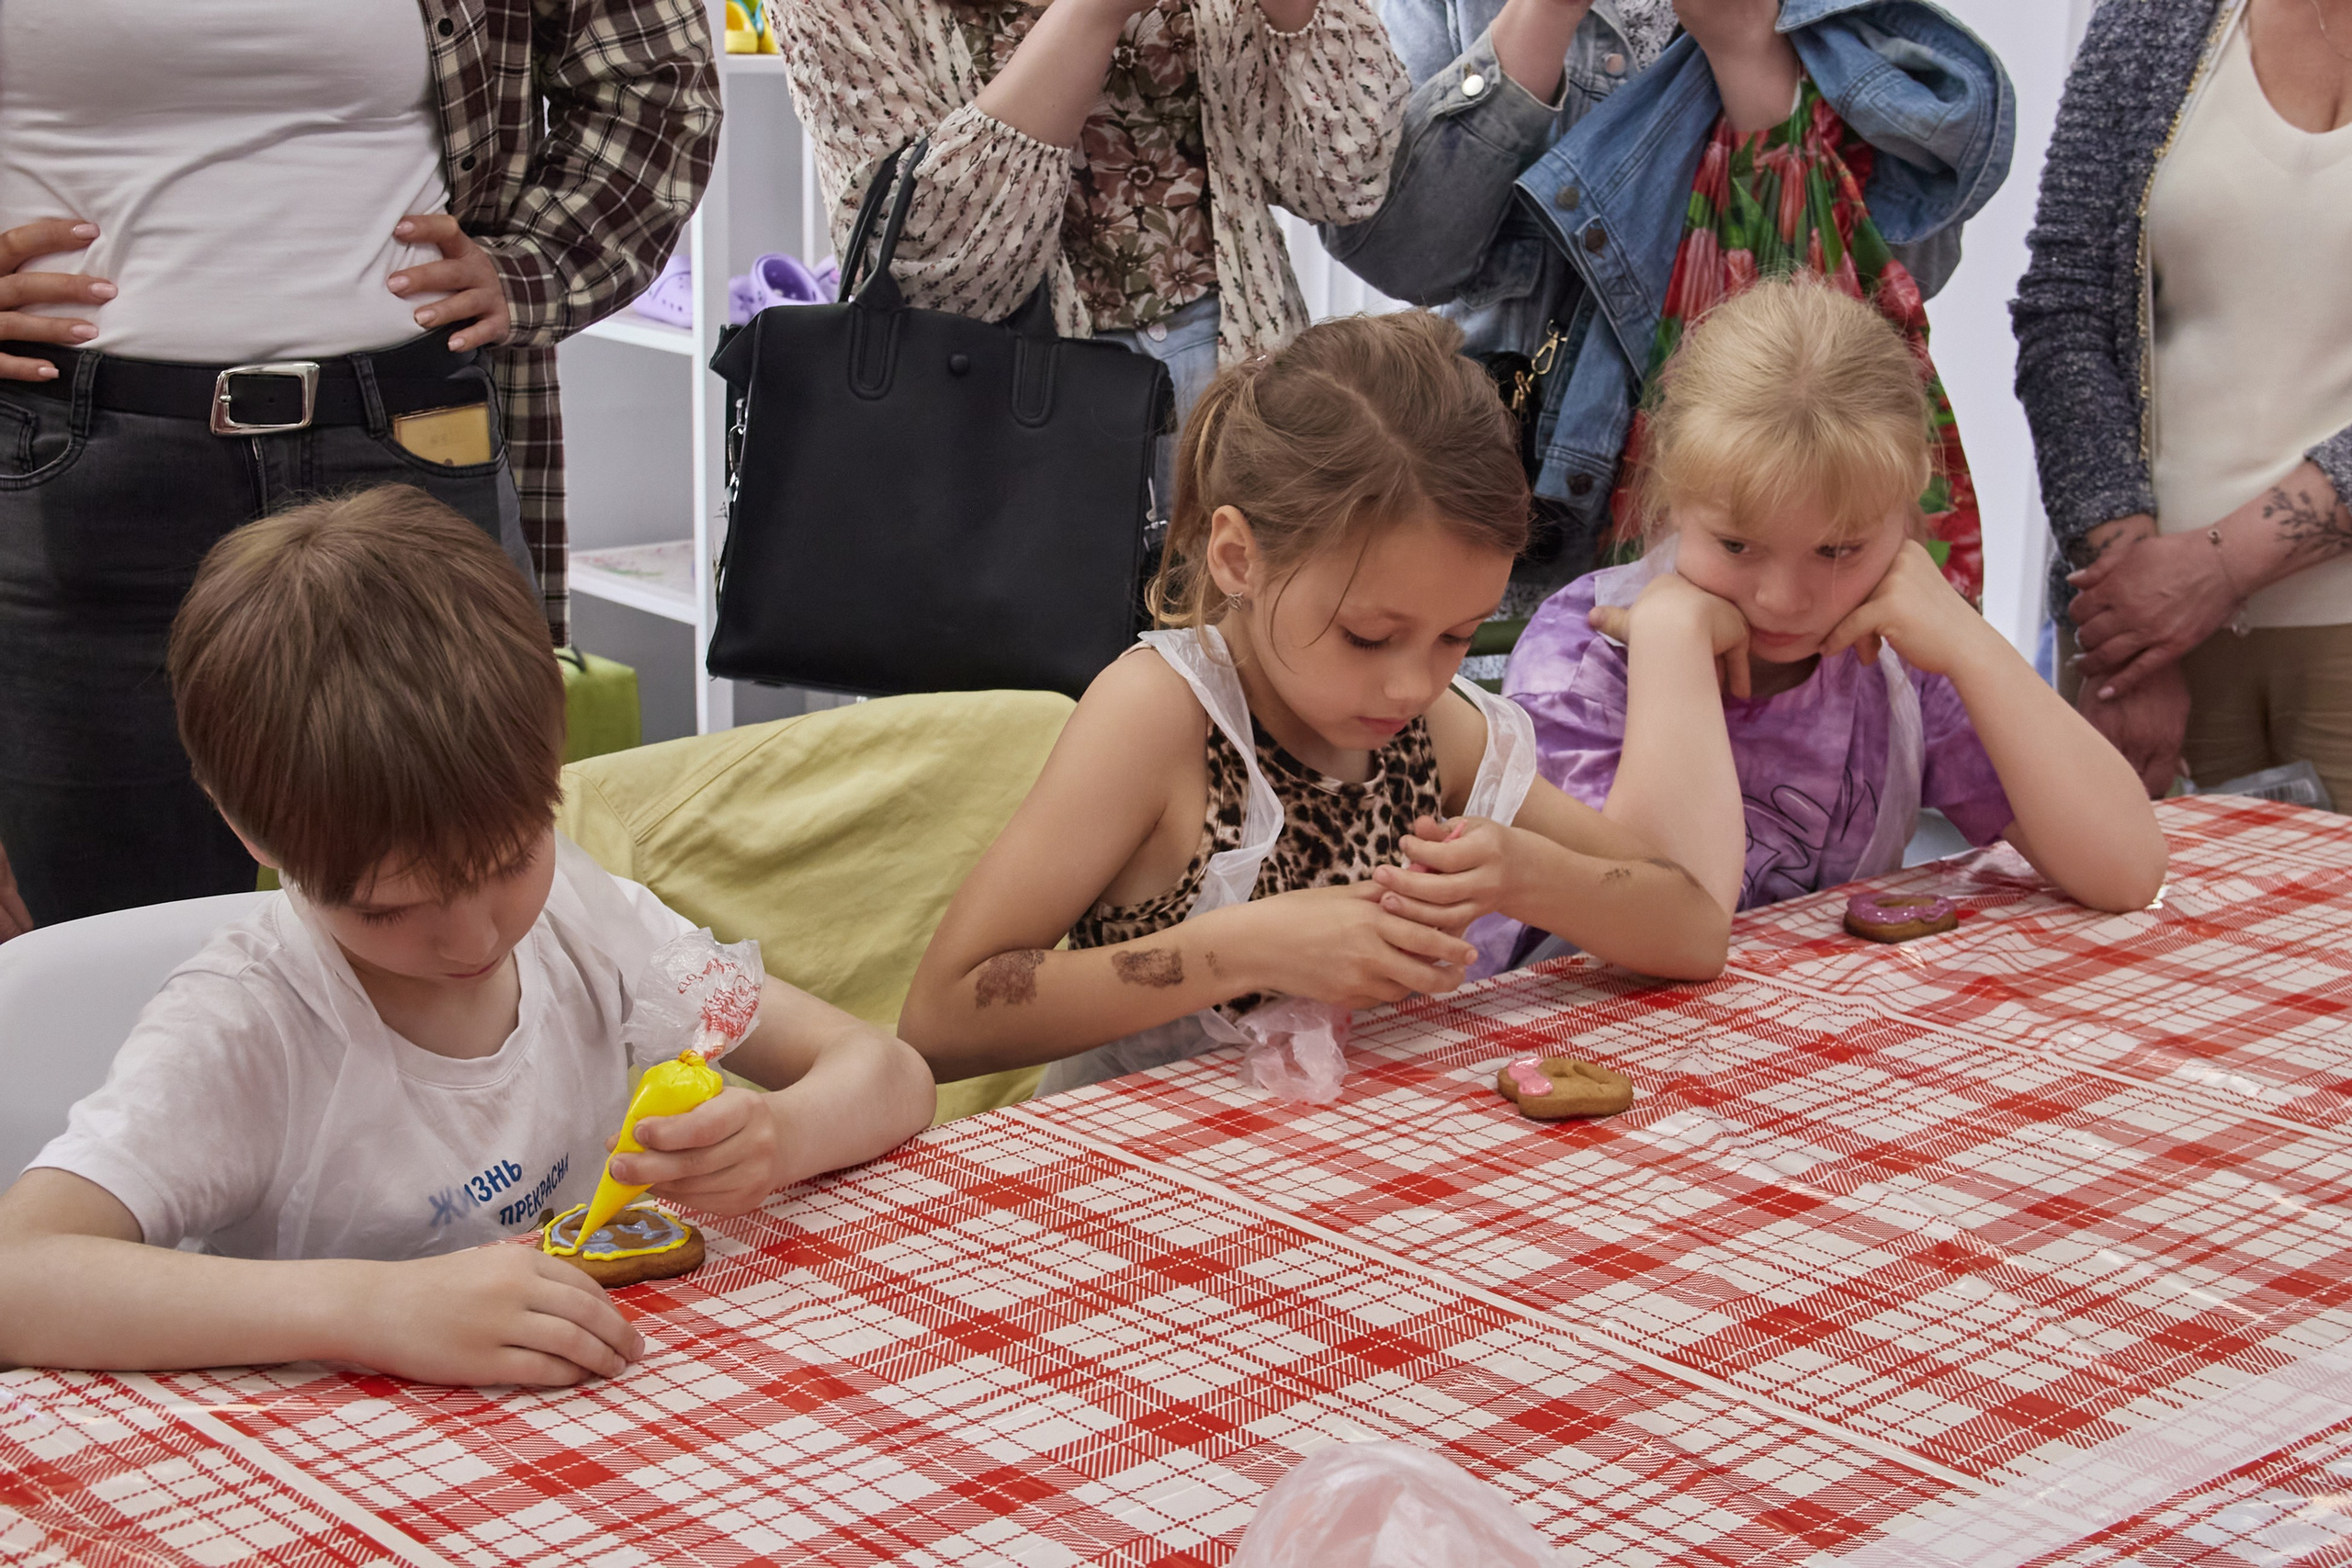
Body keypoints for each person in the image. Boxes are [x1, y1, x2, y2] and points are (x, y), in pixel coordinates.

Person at [0, 490, 934, 1386]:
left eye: (507, 862)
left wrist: (778, 1134)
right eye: (388, 910)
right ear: (251, 832)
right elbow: (18, 1279)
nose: (473, 938)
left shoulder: (588, 915)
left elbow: (889, 1074)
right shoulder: (242, 1029)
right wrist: (367, 1308)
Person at [0, 0, 721, 929]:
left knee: (461, 924)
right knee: (102, 952)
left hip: (406, 435)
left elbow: (658, 78)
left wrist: (539, 264)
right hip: (73, 460)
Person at [898, 311, 1729, 1095]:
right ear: (1237, 558)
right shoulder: (1162, 716)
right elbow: (941, 1018)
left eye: (1456, 637)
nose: (1412, 685)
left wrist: (1528, 874)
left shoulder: (1433, 733)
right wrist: (1245, 950)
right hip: (1124, 1186)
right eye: (1367, 637)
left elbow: (1692, 929)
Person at [1500, 280, 2166, 936]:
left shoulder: (1898, 658)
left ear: (1905, 510)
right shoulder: (1579, 662)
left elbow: (2127, 869)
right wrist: (1671, 638)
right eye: (1736, 544)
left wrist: (1972, 645)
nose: (1783, 600)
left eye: (1838, 550)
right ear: (1674, 493)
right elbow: (1656, 934)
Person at [1322, 0, 2010, 591]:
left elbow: (1902, 273)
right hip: (1513, 526)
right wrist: (1541, 17)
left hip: (1778, 550)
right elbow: (1400, 254)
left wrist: (1754, 66)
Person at [773, 0, 1410, 431]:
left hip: (1245, 381)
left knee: (1242, 623)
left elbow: (1345, 177)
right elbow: (933, 274)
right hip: (991, 432)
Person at [2015, 0, 2352, 807]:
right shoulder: (2151, 14)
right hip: (2144, 637)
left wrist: (2218, 566)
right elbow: (2064, 308)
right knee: (2145, 929)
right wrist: (2134, 631)